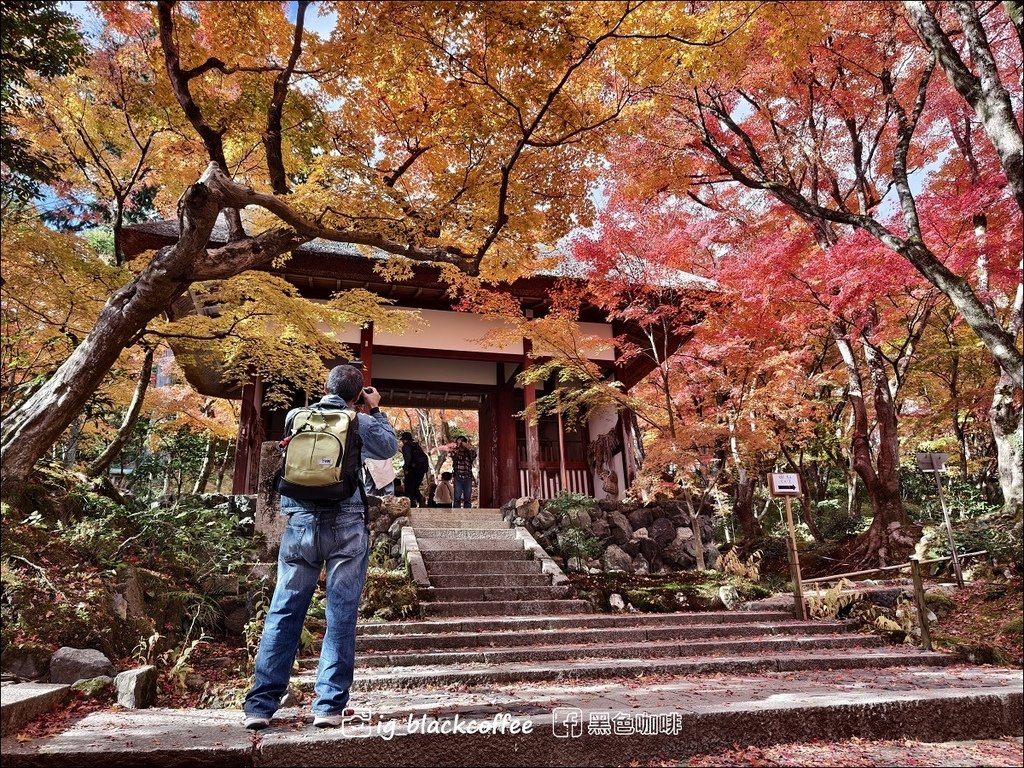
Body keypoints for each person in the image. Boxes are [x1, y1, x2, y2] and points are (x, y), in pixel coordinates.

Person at [242, 364, 397, 731]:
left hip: (299, 524)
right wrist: (374, 410)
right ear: (357, 394)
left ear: (325, 387)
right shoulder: (358, 419)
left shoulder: (296, 415)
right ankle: (327, 705)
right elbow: (387, 448)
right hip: (346, 525)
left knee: (283, 610)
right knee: (340, 612)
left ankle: (261, 705)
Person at [399, 432, 428, 508]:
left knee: (409, 489)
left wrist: (405, 469)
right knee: (415, 488)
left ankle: (412, 506)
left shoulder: (406, 447)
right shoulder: (416, 445)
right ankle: (420, 499)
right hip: (421, 470)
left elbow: (407, 459)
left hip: (412, 470)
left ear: (404, 440)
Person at [450, 436, 476, 509]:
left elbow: (474, 454)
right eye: (459, 442)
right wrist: (457, 446)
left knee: (467, 499)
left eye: (462, 442)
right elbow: (452, 454)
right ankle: (456, 515)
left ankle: (467, 515)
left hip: (468, 477)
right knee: (457, 498)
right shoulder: (456, 451)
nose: (460, 444)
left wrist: (467, 446)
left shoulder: (469, 452)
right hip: (458, 477)